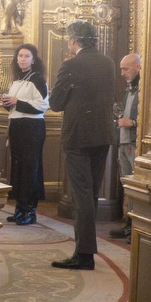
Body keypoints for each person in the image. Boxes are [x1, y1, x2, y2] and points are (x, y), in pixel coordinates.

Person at [47, 19, 121, 270]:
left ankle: (85, 254)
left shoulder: (71, 64)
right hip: (103, 135)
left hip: (78, 136)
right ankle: (86, 250)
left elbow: (55, 103)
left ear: (73, 40)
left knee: (82, 196)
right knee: (90, 194)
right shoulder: (108, 63)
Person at [0, 43, 49, 226]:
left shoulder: (37, 79)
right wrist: (8, 103)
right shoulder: (17, 79)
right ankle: (20, 208)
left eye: (26, 56)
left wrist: (16, 101)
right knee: (19, 169)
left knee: (30, 169)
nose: (22, 59)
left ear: (33, 60)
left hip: (32, 128)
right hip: (17, 127)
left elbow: (42, 105)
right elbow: (15, 109)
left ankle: (30, 210)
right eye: (20, 55)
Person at [109, 53, 141, 240]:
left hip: (135, 142)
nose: (122, 73)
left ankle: (137, 226)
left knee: (135, 186)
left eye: (126, 68)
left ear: (138, 68)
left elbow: (147, 116)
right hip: (123, 142)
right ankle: (129, 223)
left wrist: (134, 123)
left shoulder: (144, 88)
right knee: (127, 186)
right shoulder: (130, 88)